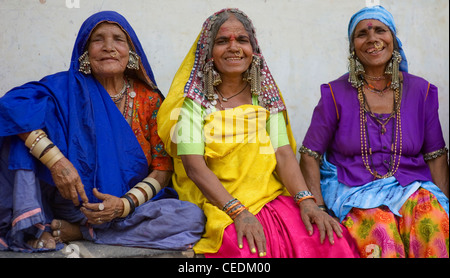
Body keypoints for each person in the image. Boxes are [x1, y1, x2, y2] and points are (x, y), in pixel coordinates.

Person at [157, 8, 359, 258]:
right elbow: (194, 167)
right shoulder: (193, 104)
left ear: (253, 50)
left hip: (272, 198)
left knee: (330, 241)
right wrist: (239, 213)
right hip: (219, 204)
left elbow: (284, 155)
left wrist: (308, 202)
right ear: (207, 53)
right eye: (222, 41)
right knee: (249, 252)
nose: (234, 47)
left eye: (242, 40)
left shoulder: (264, 97)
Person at [0, 11, 205, 253]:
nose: (109, 47)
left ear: (131, 52)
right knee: (19, 137)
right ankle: (33, 226)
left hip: (126, 208)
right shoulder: (65, 88)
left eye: (118, 39)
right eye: (98, 39)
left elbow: (163, 167)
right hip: (69, 203)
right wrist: (57, 162)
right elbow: (10, 107)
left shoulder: (148, 99)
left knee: (191, 217)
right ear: (85, 51)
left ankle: (81, 232)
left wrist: (123, 205)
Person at [299, 5, 449, 258]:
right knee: (379, 232)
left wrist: (444, 203)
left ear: (393, 39)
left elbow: (436, 156)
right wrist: (319, 207)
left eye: (380, 30)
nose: (372, 39)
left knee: (431, 222)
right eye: (362, 34)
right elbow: (309, 154)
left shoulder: (421, 92)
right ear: (352, 46)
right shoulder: (334, 94)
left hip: (411, 186)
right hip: (354, 190)